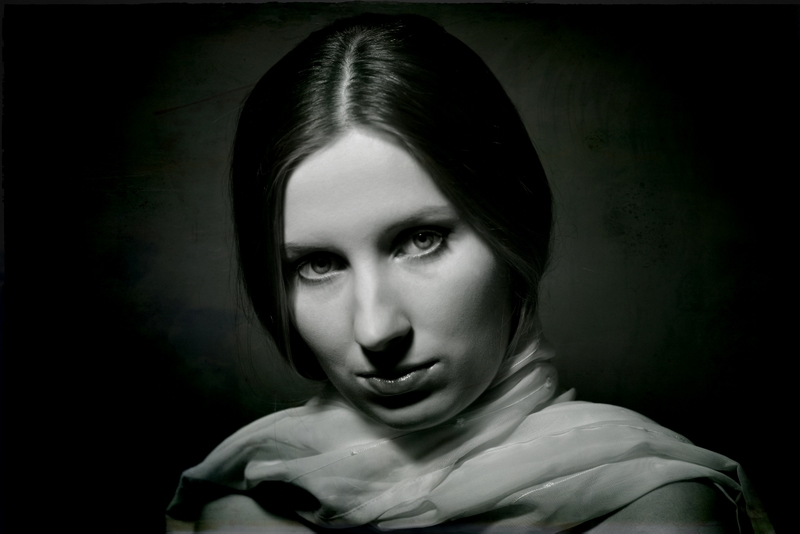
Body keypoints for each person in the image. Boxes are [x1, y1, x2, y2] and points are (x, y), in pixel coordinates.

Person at [166, 13, 771, 533]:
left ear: (513, 227)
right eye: (317, 264)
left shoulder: (657, 507)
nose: (376, 330)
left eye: (420, 240)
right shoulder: (246, 508)